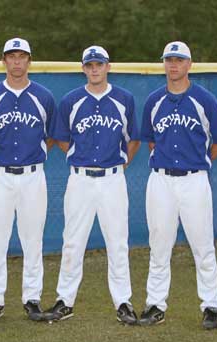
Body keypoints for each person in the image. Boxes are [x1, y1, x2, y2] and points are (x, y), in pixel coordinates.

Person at [139, 41, 217, 330]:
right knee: (159, 244)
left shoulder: (204, 99)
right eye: (169, 60)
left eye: (179, 60)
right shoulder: (154, 100)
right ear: (163, 64)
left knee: (202, 244)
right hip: (161, 180)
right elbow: (151, 140)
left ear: (189, 64)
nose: (173, 65)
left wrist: (200, 159)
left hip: (194, 180)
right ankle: (155, 304)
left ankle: (211, 305)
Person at [47, 45, 141, 325]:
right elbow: (62, 138)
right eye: (90, 65)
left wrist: (121, 164)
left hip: (113, 179)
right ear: (84, 68)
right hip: (80, 179)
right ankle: (65, 300)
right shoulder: (71, 100)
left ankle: (123, 302)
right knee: (72, 241)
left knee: (118, 242)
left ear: (108, 67)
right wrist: (79, 157)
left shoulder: (124, 99)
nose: (95, 69)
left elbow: (133, 138)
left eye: (99, 64)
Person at [0, 38, 56, 321]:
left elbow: (49, 133)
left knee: (33, 240)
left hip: (33, 176)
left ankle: (32, 298)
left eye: (22, 56)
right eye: (11, 56)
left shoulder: (43, 96)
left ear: (29, 61)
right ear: (4, 61)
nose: (16, 62)